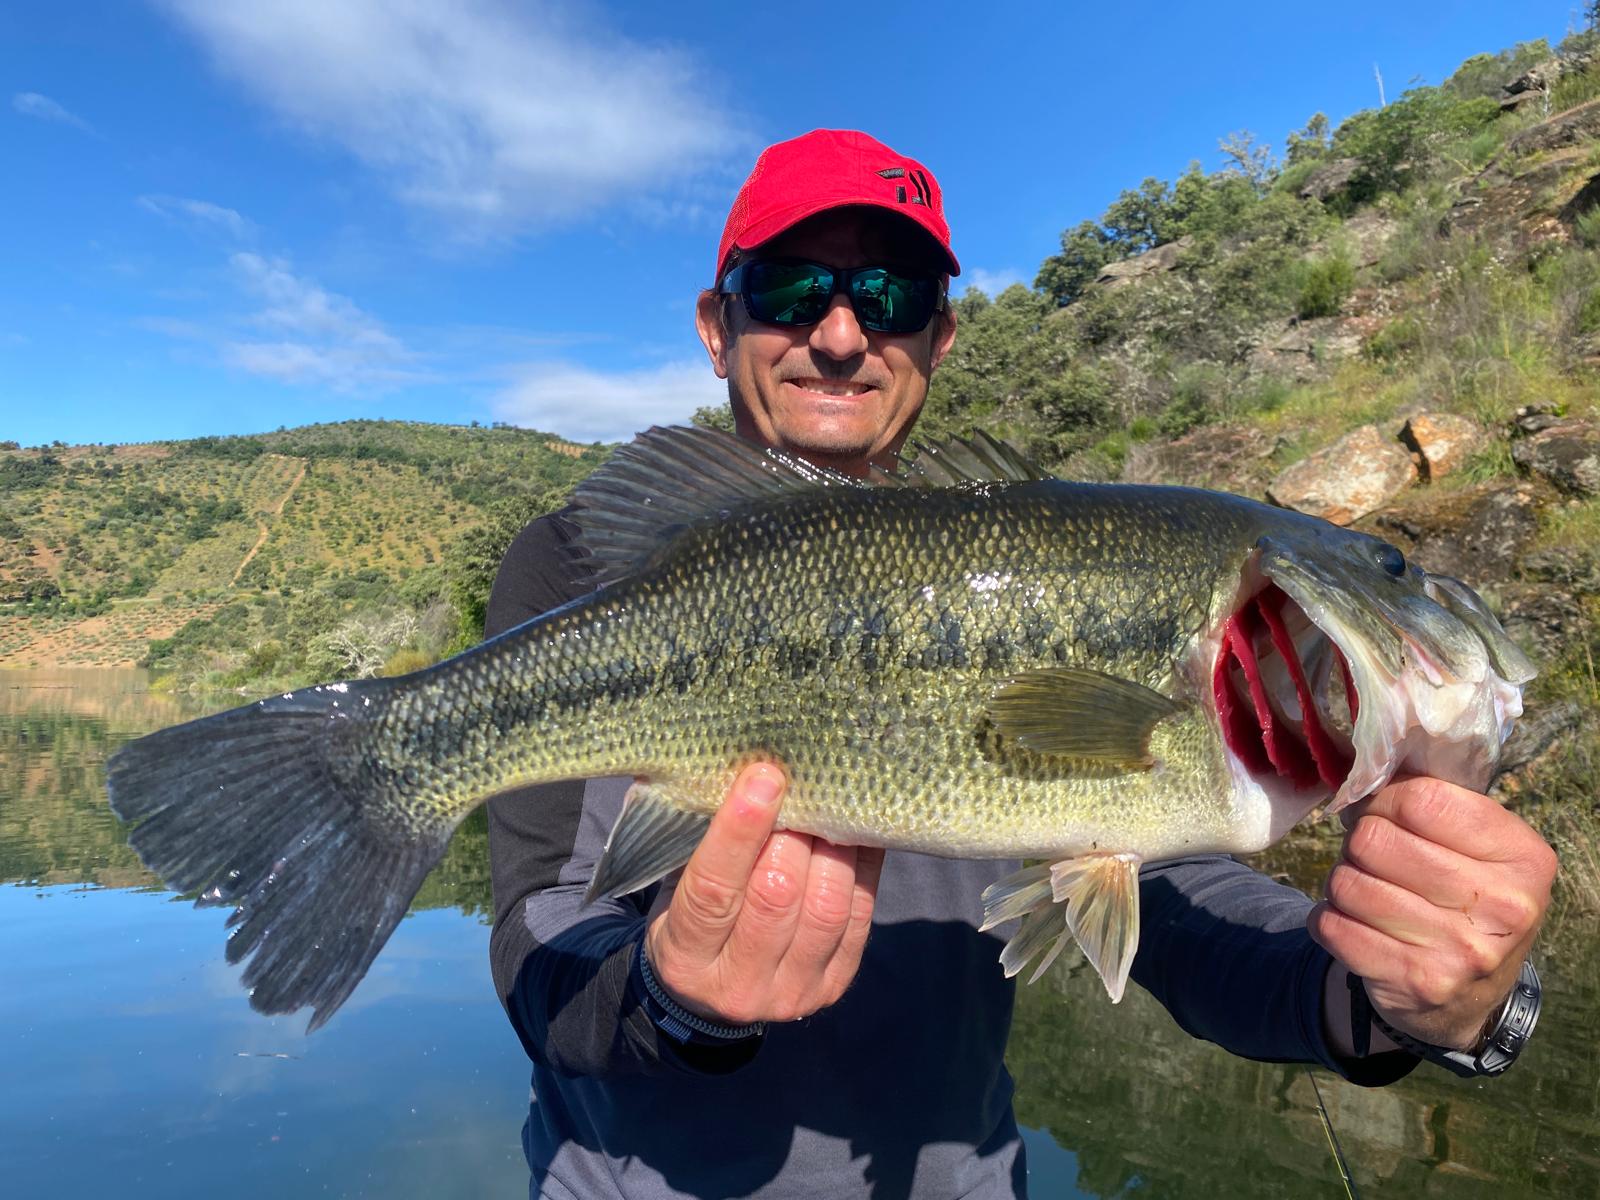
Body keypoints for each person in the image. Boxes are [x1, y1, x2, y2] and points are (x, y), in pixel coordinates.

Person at [483, 129, 1557, 1199]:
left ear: (940, 339)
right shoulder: (580, 567)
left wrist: (1399, 1000)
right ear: (719, 328)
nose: (842, 333)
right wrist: (673, 1001)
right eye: (790, 288)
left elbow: (1178, 905)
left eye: (891, 295)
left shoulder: (1066, 550)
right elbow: (544, 935)